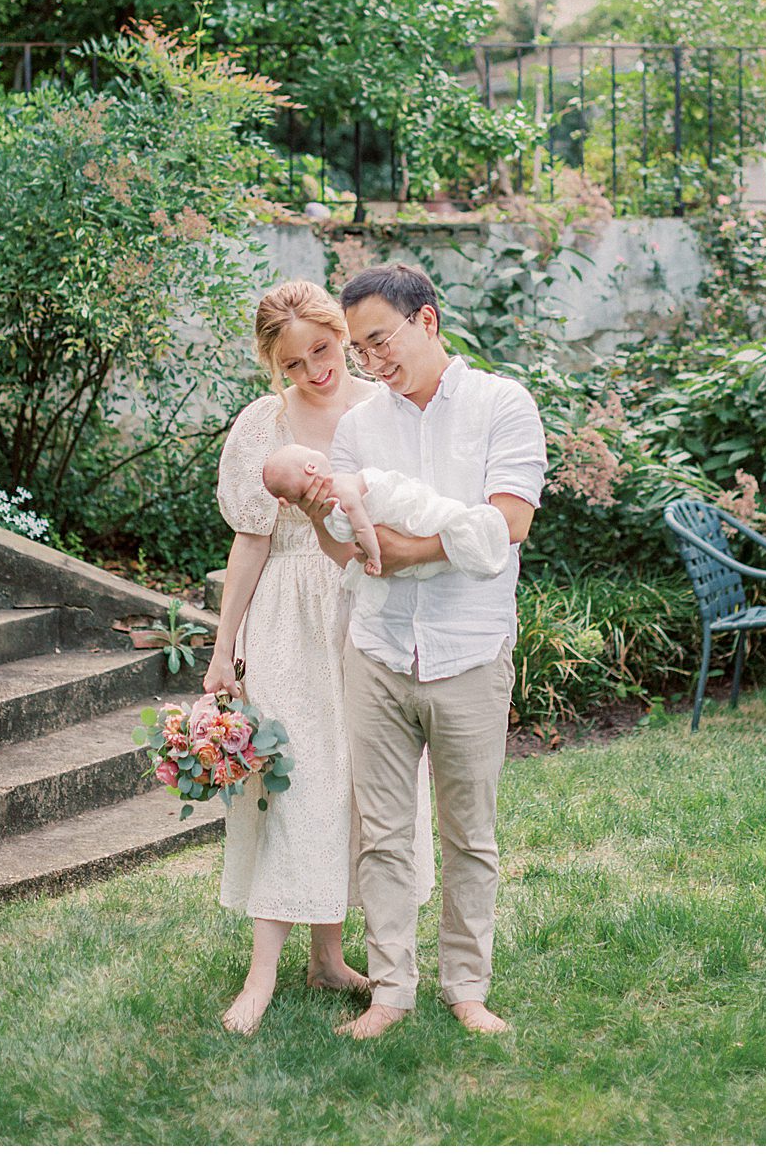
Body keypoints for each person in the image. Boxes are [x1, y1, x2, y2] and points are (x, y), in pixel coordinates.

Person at [306, 262, 547, 1040]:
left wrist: (403, 550)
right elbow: (347, 543)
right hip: (375, 648)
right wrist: (420, 537)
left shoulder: (502, 405)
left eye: (380, 342)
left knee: (469, 832)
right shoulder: (358, 427)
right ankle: (391, 992)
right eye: (361, 348)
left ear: (428, 322)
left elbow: (507, 525)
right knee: (380, 832)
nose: (370, 363)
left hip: (469, 650)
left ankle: (467, 988)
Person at [204, 279, 434, 1036]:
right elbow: (250, 540)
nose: (315, 372)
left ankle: (329, 958)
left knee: (358, 782)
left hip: (366, 613)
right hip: (286, 622)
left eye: (325, 352)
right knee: (293, 783)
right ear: (274, 365)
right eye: (295, 363)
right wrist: (222, 648)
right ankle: (261, 973)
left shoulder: (383, 411)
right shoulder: (260, 426)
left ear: (344, 336)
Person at [262, 441, 511, 595]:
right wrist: (375, 555)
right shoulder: (339, 492)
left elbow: (364, 526)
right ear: (311, 468)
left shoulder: (341, 491)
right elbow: (361, 529)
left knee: (434, 517)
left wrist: (381, 555)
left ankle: (465, 536)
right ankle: (467, 540)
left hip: (403, 501)